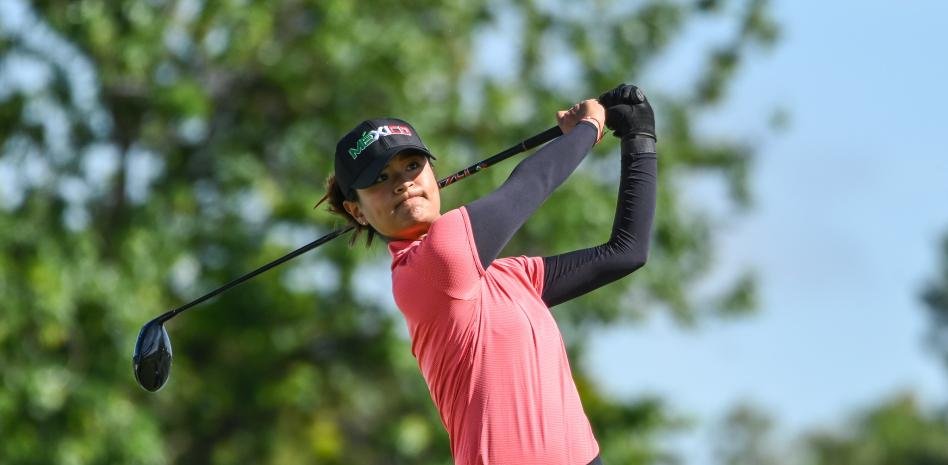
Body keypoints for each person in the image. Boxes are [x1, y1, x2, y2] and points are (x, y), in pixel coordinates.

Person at [317, 84, 657, 465]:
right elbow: (529, 185)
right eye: (379, 178)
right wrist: (588, 128)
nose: (403, 183)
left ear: (432, 174)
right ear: (357, 211)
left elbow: (626, 253)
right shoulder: (431, 263)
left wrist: (640, 137)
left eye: (412, 166)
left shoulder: (512, 277)